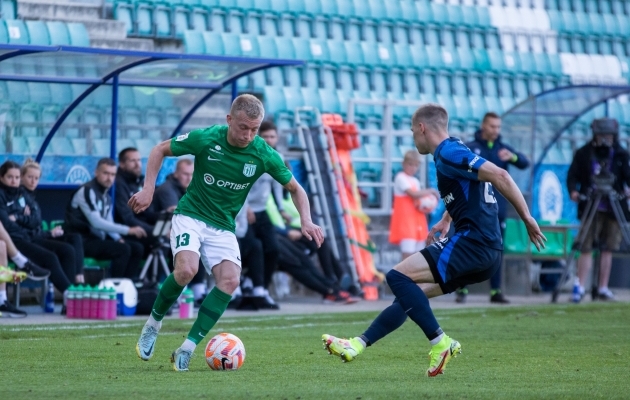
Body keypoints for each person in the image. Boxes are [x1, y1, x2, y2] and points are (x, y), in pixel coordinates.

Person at [322, 104, 545, 377]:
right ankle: (357, 344)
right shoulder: (455, 150)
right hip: (486, 252)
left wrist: (527, 218)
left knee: (397, 276)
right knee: (410, 295)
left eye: (413, 131)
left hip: (474, 243)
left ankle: (440, 342)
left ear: (422, 128)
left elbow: (501, 174)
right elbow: (470, 188)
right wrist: (446, 219)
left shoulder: (449, 152)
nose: (413, 137)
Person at [131, 94, 323, 372]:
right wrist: (149, 188)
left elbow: (296, 188)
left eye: (254, 129)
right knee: (186, 270)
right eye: (243, 127)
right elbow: (160, 149)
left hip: (222, 226)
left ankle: (187, 348)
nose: (249, 135)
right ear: (229, 120)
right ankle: (153, 324)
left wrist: (306, 219)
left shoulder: (263, 153)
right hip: (191, 216)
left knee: (230, 282)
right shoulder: (207, 138)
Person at [457, 112, 530, 304]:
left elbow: (524, 162)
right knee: (467, 247)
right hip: (474, 209)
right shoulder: (471, 148)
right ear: (483, 126)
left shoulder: (503, 149)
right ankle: (461, 288)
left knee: (497, 250)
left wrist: (512, 157)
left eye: (498, 127)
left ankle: (495, 291)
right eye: (492, 126)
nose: (495, 130)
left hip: (497, 209)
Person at [567, 117, 630, 302]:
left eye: (608, 135)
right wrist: (573, 191)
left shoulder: (621, 154)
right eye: (601, 135)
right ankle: (580, 286)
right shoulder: (583, 153)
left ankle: (602, 287)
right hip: (591, 205)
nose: (605, 139)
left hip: (613, 207)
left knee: (608, 248)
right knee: (585, 247)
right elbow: (572, 175)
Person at [0, 161, 74, 302]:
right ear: (1, 177)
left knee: (67, 249)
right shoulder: (1, 195)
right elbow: (6, 225)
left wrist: (18, 217)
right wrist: (23, 219)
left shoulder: (21, 193)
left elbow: (36, 220)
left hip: (26, 237)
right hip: (14, 241)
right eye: (10, 177)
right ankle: (70, 295)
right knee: (50, 257)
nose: (14, 181)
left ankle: (72, 292)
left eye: (16, 177)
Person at [64, 158, 146, 279]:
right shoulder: (86, 191)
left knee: (137, 248)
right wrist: (128, 230)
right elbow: (96, 222)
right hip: (81, 241)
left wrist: (118, 238)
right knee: (123, 250)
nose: (109, 178)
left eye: (112, 174)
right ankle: (115, 285)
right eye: (105, 173)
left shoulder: (106, 196)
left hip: (96, 240)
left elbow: (108, 223)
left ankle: (128, 285)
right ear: (96, 172)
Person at [21, 159, 86, 285]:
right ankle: (71, 289)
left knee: (75, 238)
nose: (33, 181)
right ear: (22, 177)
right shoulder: (19, 197)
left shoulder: (31, 198)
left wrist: (49, 232)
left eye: (36, 178)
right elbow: (28, 227)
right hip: (29, 240)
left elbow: (34, 225)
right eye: (30, 177)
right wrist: (47, 233)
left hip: (39, 235)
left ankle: (79, 277)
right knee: (67, 249)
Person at [153, 158, 207, 303]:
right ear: (176, 173)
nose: (189, 178)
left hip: (172, 232)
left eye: (191, 175)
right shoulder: (167, 189)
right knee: (186, 242)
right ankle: (178, 291)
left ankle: (198, 290)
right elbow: (176, 215)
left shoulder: (193, 189)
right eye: (185, 174)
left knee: (201, 240)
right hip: (156, 232)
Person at [246, 121, 289, 292]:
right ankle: (247, 284)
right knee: (250, 247)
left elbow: (276, 186)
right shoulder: (248, 156)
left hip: (262, 211)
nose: (269, 140)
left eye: (272, 137)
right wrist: (245, 207)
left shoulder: (278, 158)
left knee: (273, 249)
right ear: (258, 137)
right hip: (244, 212)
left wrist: (281, 209)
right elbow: (242, 185)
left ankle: (261, 288)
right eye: (266, 137)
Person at [389, 150, 440, 260]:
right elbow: (413, 194)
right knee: (407, 254)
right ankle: (403, 276)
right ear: (403, 164)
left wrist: (427, 206)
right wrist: (431, 191)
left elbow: (419, 201)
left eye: (416, 165)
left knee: (418, 254)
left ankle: (414, 277)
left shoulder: (415, 181)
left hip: (417, 221)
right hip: (406, 222)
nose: (413, 168)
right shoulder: (400, 177)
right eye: (410, 164)